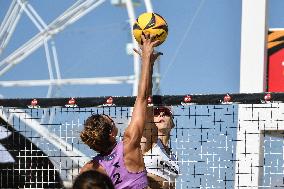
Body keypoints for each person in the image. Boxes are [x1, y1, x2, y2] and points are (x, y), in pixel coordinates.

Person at [79, 33, 162, 189]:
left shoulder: (89, 169)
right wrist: (146, 61)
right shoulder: (129, 143)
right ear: (111, 132)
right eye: (110, 120)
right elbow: (143, 98)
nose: (112, 118)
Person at [142, 106, 180, 189]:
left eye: (166, 112)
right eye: (156, 113)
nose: (161, 114)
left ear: (172, 123)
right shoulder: (149, 142)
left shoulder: (174, 157)